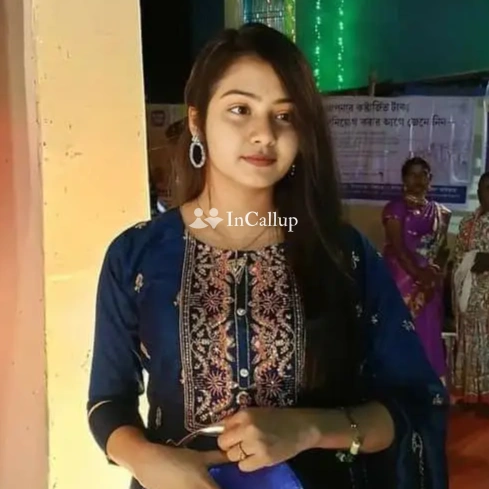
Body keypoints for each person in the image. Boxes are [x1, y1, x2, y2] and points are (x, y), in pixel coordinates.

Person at [87, 24, 448, 489]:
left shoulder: (343, 254)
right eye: (240, 110)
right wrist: (146, 460)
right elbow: (107, 401)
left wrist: (310, 428)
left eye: (284, 115)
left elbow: (414, 403)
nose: (264, 134)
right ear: (197, 122)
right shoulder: (136, 254)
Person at [381, 158, 452, 383]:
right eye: (413, 174)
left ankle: (429, 384)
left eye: (423, 174)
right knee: (400, 329)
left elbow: (443, 249)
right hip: (401, 280)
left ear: (430, 179)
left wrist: (433, 271)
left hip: (429, 283)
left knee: (428, 329)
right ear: (404, 179)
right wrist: (418, 274)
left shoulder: (441, 213)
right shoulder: (395, 209)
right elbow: (397, 246)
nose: (418, 179)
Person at [451, 172, 489, 411]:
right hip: (468, 295)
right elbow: (458, 255)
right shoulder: (467, 222)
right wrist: (469, 261)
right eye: (486, 188)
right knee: (469, 344)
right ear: (478, 192)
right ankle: (470, 394)